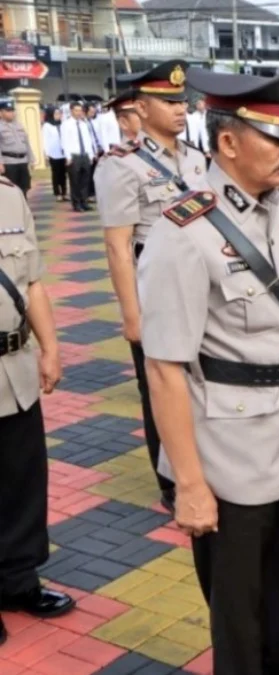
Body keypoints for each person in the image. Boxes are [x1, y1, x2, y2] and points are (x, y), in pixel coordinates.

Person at [137, 67, 279, 674]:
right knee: (239, 620)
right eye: (275, 137)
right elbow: (164, 369)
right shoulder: (183, 232)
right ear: (227, 142)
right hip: (228, 452)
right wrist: (189, 484)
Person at [94, 60, 203, 514]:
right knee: (160, 382)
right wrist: (131, 314)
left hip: (199, 284)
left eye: (182, 101)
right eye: (169, 101)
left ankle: (199, 461)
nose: (180, 110)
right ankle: (172, 479)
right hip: (153, 286)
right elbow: (118, 247)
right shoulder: (120, 166)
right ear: (140, 106)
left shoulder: (197, 157)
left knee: (198, 381)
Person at [0, 175, 72, 648]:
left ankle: (17, 580)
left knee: (23, 482)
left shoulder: (7, 195)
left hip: (14, 368)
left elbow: (32, 281)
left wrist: (49, 348)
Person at [61, 102, 98, 212]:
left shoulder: (84, 124)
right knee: (75, 181)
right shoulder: (66, 124)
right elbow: (64, 141)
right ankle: (76, 203)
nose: (78, 113)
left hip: (85, 155)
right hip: (74, 155)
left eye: (80, 110)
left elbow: (88, 141)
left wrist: (91, 155)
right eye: (76, 110)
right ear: (71, 111)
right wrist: (67, 157)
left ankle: (84, 202)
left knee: (85, 180)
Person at [0, 98, 32, 196]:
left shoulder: (19, 125)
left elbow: (26, 143)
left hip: (22, 161)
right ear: (1, 113)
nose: (11, 113)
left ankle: (24, 209)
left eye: (12, 110)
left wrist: (30, 159)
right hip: (9, 163)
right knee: (11, 189)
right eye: (8, 111)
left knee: (24, 187)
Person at [41, 108, 67, 202]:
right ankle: (57, 193)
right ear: (51, 114)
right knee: (56, 174)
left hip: (64, 153)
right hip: (54, 153)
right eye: (56, 114)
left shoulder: (63, 124)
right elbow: (45, 140)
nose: (58, 115)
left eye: (59, 113)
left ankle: (64, 192)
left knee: (63, 174)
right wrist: (46, 153)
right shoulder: (47, 126)